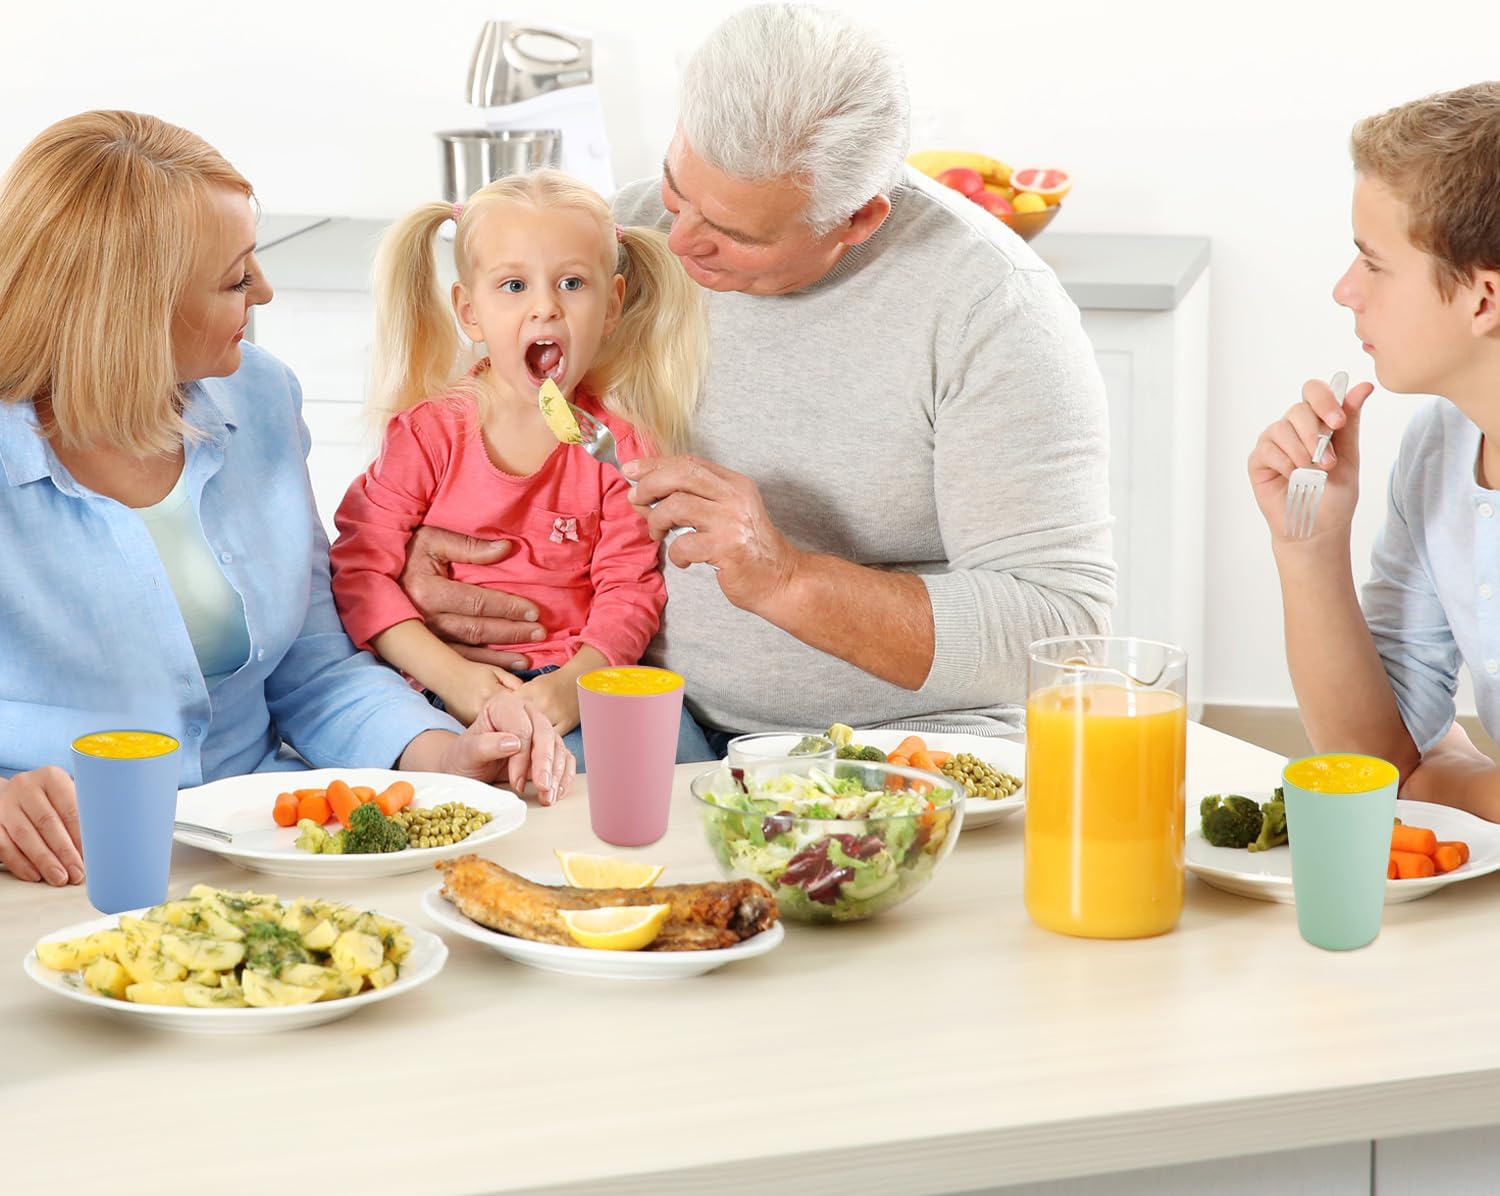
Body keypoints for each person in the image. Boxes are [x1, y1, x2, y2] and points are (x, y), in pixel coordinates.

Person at [398, 3, 1115, 748]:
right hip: (643, 717)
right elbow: (463, 437)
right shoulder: (615, 239)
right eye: (679, 188)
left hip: (899, 742)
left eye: (734, 233)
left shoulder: (991, 310)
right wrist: (423, 555)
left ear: (859, 219)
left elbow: (1059, 632)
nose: (675, 242)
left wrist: (789, 580)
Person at [0, 111, 575, 887]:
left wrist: (446, 753)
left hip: (260, 847)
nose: (264, 290)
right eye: (237, 278)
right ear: (132, 312)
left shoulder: (260, 397)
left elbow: (313, 671)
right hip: (55, 874)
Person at [328, 170, 708, 765]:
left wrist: (574, 687)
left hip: (569, 678)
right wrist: (455, 679)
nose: (545, 308)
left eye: (572, 283)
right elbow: (360, 575)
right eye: (513, 285)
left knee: (675, 747)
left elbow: (628, 589)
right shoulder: (429, 434)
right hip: (439, 682)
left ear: (611, 306)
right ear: (469, 311)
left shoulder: (619, 445)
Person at [1248, 82, 1500, 818]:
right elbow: (1374, 765)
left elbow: (1412, 776)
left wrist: (1451, 778)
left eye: (1374, 263)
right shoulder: (1441, 447)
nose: (1344, 290)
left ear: (1484, 299)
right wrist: (1309, 546)